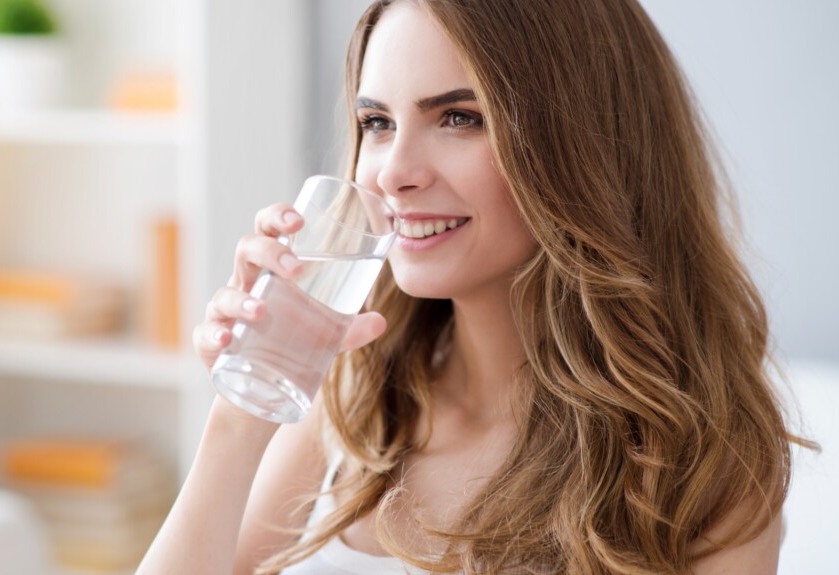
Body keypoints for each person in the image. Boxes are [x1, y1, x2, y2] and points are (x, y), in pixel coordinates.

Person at [138, 0, 810, 573]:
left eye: (459, 117)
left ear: (584, 145)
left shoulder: (704, 465)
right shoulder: (349, 401)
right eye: (377, 123)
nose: (393, 173)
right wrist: (242, 410)